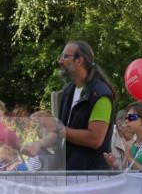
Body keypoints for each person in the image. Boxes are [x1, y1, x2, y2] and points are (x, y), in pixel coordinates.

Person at [32, 40, 115, 170]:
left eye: (65, 56)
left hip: (91, 176)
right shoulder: (68, 91)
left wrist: (58, 127)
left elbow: (95, 139)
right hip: (70, 174)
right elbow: (63, 133)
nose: (60, 61)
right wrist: (38, 144)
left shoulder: (100, 94)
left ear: (79, 60)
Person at [105, 102, 142, 171]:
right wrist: (115, 164)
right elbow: (125, 171)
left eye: (132, 117)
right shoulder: (130, 144)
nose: (126, 121)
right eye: (126, 117)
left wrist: (130, 158)